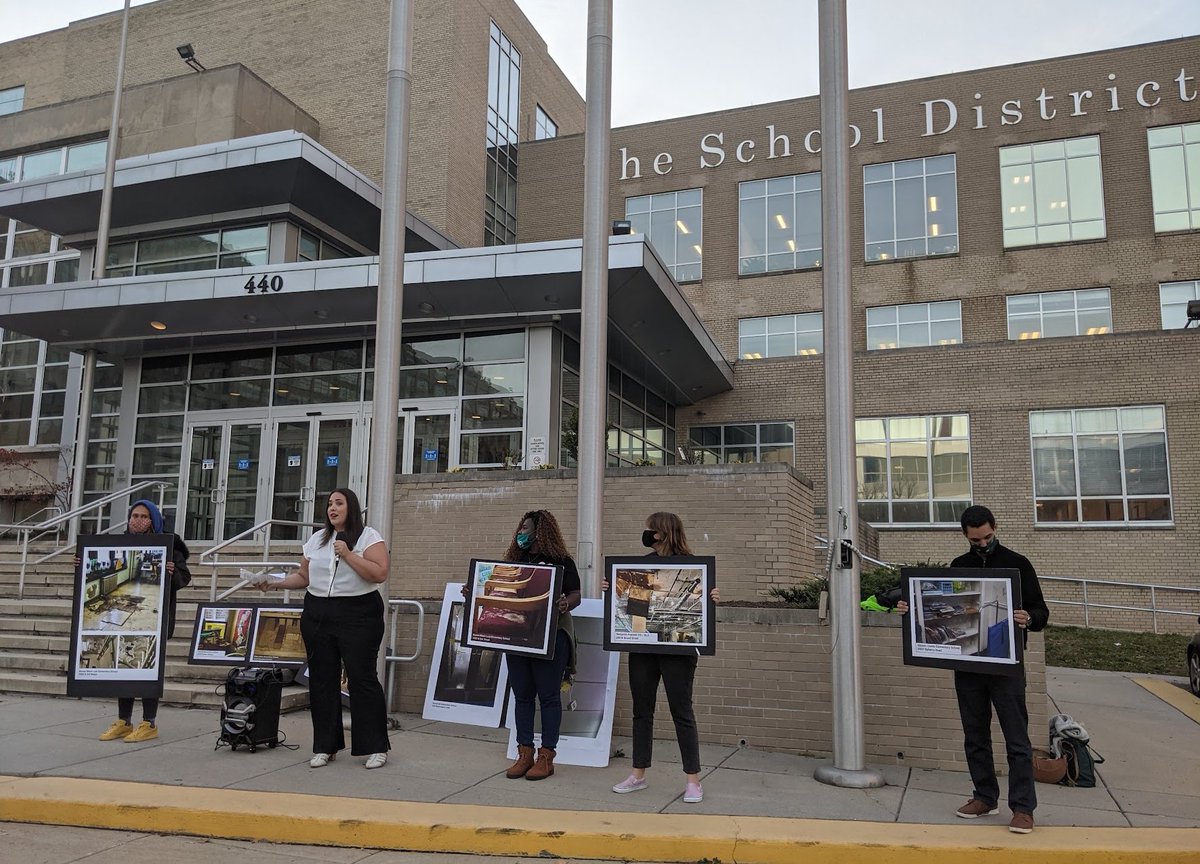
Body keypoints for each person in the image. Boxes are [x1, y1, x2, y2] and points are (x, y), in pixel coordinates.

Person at [896, 505, 1049, 834]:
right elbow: (936, 604)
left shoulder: (1018, 563)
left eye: (987, 537)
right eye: (975, 540)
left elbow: (1041, 611)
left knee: (1016, 738)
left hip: (1006, 666)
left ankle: (1023, 808)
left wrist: (1029, 617)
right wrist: (910, 607)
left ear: (995, 527)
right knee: (975, 734)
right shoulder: (959, 565)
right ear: (965, 535)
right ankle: (985, 797)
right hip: (967, 663)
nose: (983, 544)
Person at [265, 488, 391, 769]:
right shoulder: (318, 539)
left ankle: (375, 746)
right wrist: (274, 582)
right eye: (330, 504)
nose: (332, 508)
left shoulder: (368, 537)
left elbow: (380, 573)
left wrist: (348, 554)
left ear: (351, 507)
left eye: (339, 503)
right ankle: (326, 745)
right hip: (318, 612)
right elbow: (303, 576)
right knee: (322, 680)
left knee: (362, 678)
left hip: (359, 614)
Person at [606, 512, 718, 804]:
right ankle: (638, 774)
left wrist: (711, 597)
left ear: (661, 533)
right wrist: (613, 591)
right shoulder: (641, 565)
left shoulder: (693, 567)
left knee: (682, 711)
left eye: (649, 529)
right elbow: (633, 609)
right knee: (642, 711)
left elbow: (697, 607)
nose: (645, 533)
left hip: (678, 650)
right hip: (643, 647)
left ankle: (693, 781)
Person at [97, 499, 191, 743]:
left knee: (148, 667)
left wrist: (172, 571)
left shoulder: (170, 545)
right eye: (134, 516)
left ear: (153, 521)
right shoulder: (119, 543)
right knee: (124, 666)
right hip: (125, 616)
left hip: (153, 617)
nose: (137, 521)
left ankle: (149, 722)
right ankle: (124, 721)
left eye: (143, 517)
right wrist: (81, 564)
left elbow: (183, 579)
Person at [499, 509, 581, 781]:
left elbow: (576, 594)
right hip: (518, 634)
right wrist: (474, 591)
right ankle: (524, 752)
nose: (520, 533)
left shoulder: (562, 561)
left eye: (525, 528)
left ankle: (546, 756)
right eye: (520, 528)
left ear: (540, 531)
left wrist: (565, 603)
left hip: (551, 636)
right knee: (522, 695)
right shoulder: (515, 560)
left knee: (548, 696)